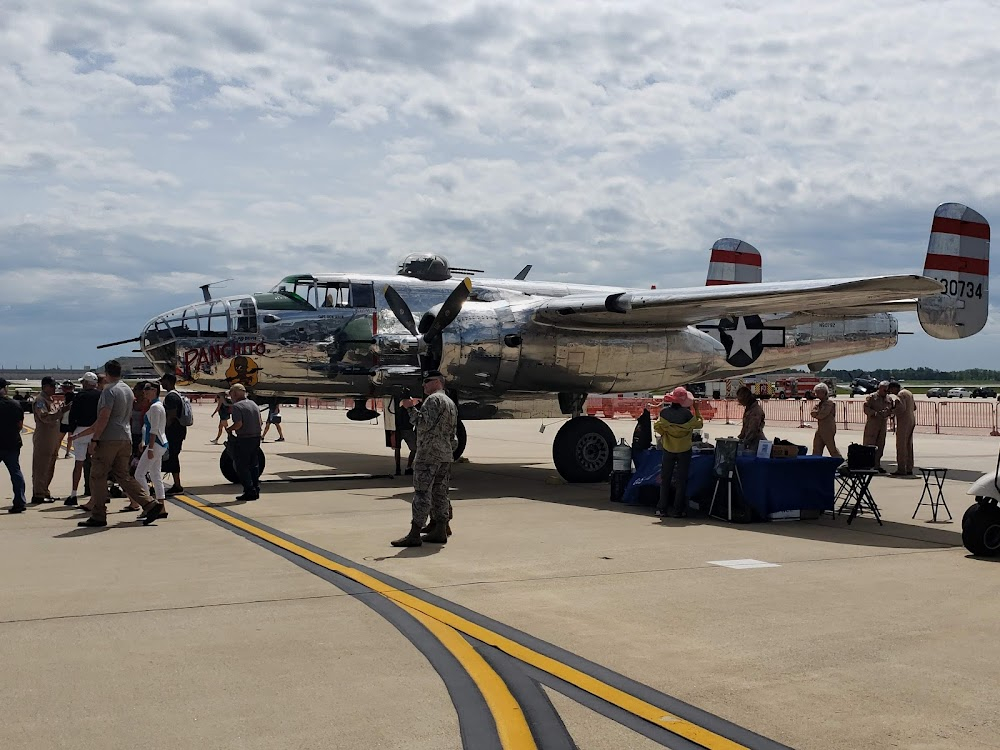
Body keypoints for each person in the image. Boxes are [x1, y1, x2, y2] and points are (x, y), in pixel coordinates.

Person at [76, 360, 164, 527]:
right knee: (123, 475)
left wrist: (95, 439)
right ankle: (149, 503)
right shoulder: (127, 390)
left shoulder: (109, 391)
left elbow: (104, 417)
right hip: (125, 437)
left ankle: (98, 514)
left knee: (98, 475)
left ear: (107, 373)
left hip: (109, 438)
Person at [391, 370, 458, 547]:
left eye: (427, 381)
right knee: (440, 492)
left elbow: (422, 423)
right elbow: (453, 434)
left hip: (429, 454)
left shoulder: (434, 400)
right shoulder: (449, 402)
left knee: (422, 493)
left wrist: (409, 407)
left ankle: (414, 533)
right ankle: (441, 528)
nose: (424, 385)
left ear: (437, 382)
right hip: (444, 454)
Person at [653, 387, 703, 518]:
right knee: (681, 481)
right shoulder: (687, 415)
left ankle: (662, 508)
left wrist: (666, 434)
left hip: (668, 448)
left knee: (665, 479)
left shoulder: (664, 413)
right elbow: (699, 424)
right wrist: (696, 409)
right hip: (684, 449)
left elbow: (657, 426)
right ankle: (678, 510)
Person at [65, 371, 102, 506]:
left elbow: (72, 415)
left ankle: (73, 494)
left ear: (86, 383)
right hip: (96, 430)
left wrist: (72, 430)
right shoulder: (100, 395)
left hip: (80, 429)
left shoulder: (79, 396)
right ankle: (99, 493)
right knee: (97, 464)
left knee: (78, 463)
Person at [30, 375, 66, 504]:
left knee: (50, 465)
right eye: (52, 386)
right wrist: (61, 411)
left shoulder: (50, 400)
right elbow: (45, 417)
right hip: (44, 438)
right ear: (45, 386)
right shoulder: (40, 400)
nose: (54, 388)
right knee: (41, 466)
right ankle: (38, 493)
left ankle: (45, 490)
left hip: (52, 438)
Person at [134, 382, 169, 507]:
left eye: (148, 389)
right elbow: (147, 428)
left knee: (139, 474)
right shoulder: (156, 406)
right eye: (144, 389)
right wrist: (144, 442)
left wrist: (150, 448)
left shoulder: (155, 407)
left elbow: (154, 429)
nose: (145, 391)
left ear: (155, 391)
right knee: (155, 475)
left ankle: (149, 504)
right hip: (159, 444)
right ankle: (161, 506)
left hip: (156, 444)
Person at [226, 384, 262, 501]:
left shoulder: (237, 406)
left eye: (231, 394)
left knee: (242, 466)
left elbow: (238, 424)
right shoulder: (254, 405)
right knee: (254, 464)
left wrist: (229, 429)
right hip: (256, 438)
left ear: (235, 393)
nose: (230, 397)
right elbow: (261, 422)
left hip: (244, 439)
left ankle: (249, 490)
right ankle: (256, 488)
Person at [1, 378, 28, 514]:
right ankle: (20, 501)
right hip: (12, 443)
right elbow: (20, 425)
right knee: (15, 472)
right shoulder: (15, 404)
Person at [160, 373, 186, 495]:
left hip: (173, 432)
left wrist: (163, 430)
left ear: (169, 381)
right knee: (172, 457)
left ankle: (177, 485)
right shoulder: (176, 395)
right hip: (178, 431)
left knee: (172, 457)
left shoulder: (171, 397)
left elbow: (171, 416)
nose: (161, 383)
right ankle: (176, 484)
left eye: (163, 381)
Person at [863, 381, 894, 473]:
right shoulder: (872, 397)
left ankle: (877, 464)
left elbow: (892, 408)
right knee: (870, 444)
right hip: (873, 423)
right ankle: (868, 464)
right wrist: (874, 413)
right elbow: (866, 408)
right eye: (884, 389)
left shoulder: (889, 398)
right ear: (879, 388)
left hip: (883, 423)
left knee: (880, 444)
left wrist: (890, 413)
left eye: (887, 389)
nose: (886, 391)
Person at [888, 381, 916, 475]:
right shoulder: (909, 393)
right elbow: (914, 407)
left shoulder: (900, 394)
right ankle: (909, 467)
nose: (891, 392)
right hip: (911, 419)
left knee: (901, 445)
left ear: (894, 388)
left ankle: (901, 468)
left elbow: (901, 408)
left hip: (904, 421)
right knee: (909, 445)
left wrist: (892, 411)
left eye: (891, 390)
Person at [809, 383, 842, 458]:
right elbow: (812, 412)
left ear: (824, 393)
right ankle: (815, 462)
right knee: (817, 448)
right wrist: (816, 413)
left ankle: (840, 462)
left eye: (818, 393)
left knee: (831, 448)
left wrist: (816, 414)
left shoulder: (829, 403)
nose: (816, 395)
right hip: (820, 428)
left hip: (828, 428)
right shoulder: (820, 404)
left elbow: (822, 415)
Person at [736, 386, 766, 453]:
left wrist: (744, 442)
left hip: (755, 444)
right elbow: (745, 427)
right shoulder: (749, 409)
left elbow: (753, 429)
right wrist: (741, 437)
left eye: (740, 399)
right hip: (750, 442)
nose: (739, 401)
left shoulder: (755, 411)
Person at [59, 381, 76, 458]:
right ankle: (67, 453)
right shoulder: (73, 404)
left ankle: (56, 452)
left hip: (63, 422)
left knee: (59, 439)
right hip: (71, 422)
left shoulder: (63, 403)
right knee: (70, 439)